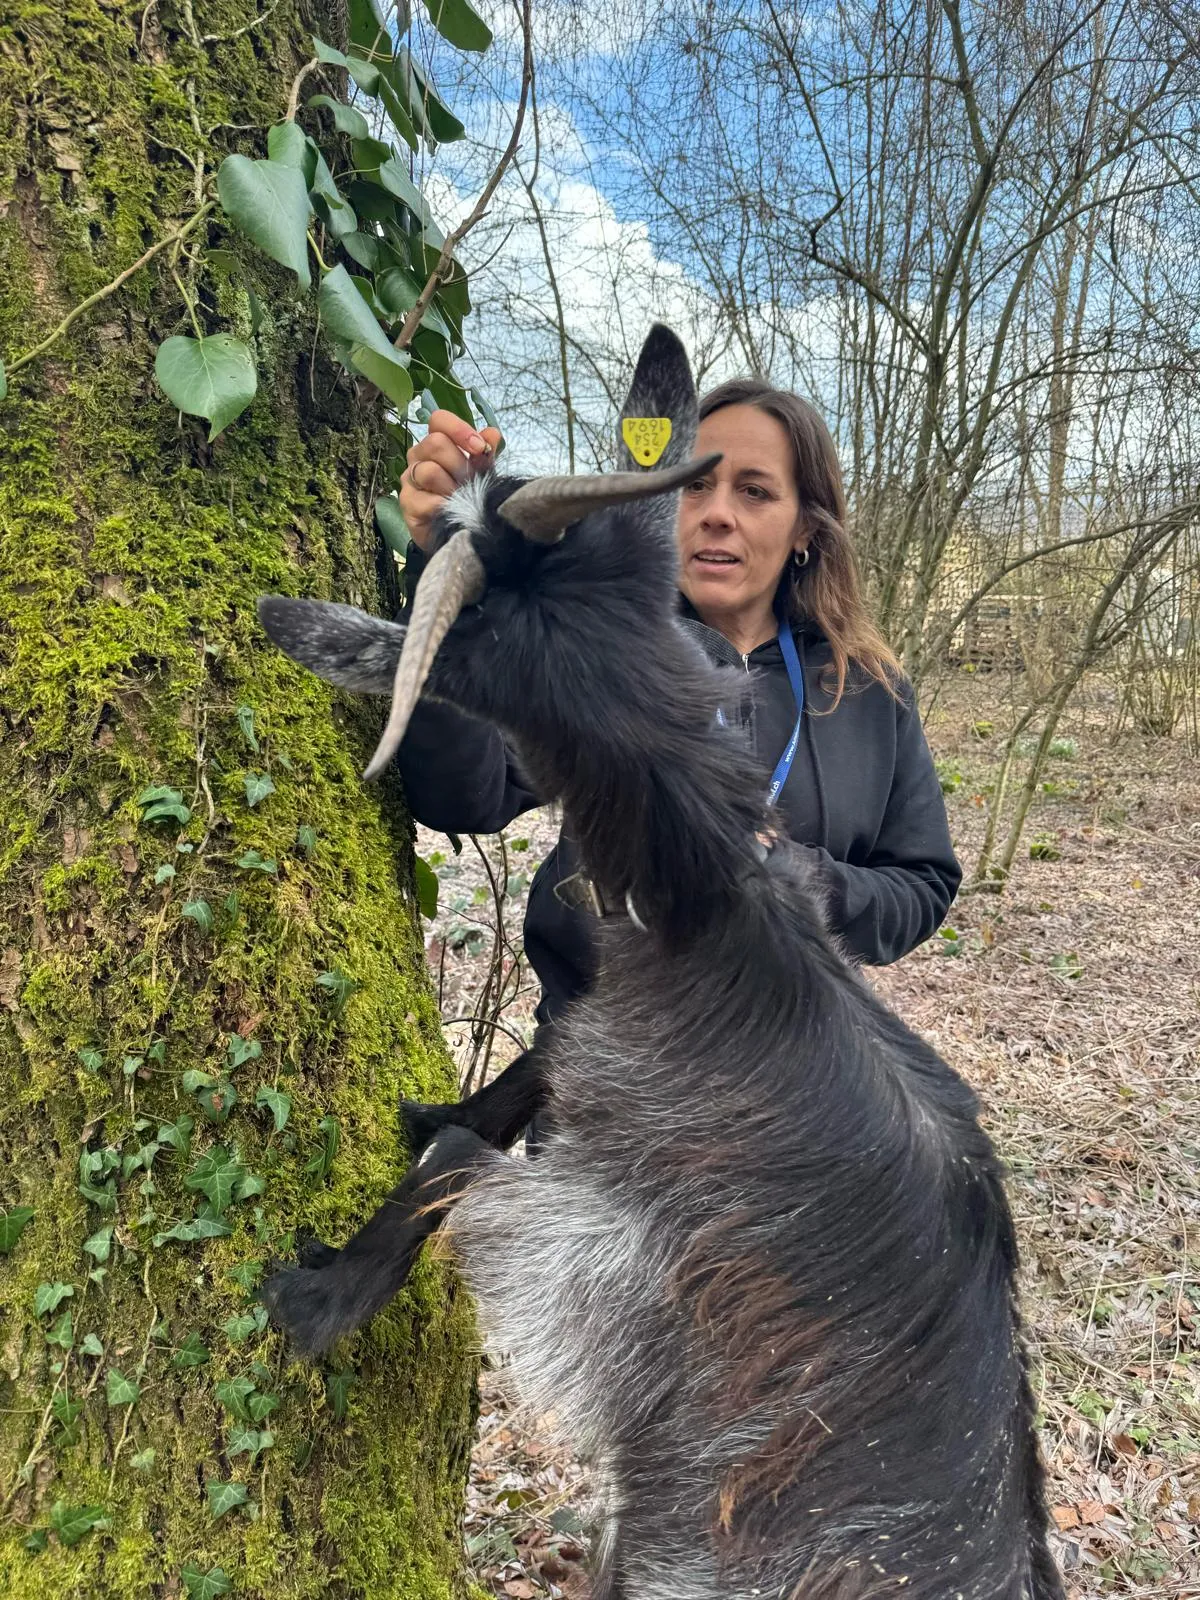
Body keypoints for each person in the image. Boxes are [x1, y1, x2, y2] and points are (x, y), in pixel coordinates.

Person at [392, 382, 961, 1052]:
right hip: (606, 1081)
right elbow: (465, 794)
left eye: (755, 491)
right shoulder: (596, 651)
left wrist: (788, 881)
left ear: (805, 526)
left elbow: (922, 883)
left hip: (797, 1088)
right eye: (694, 486)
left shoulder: (866, 690)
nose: (717, 514)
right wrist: (454, 560)